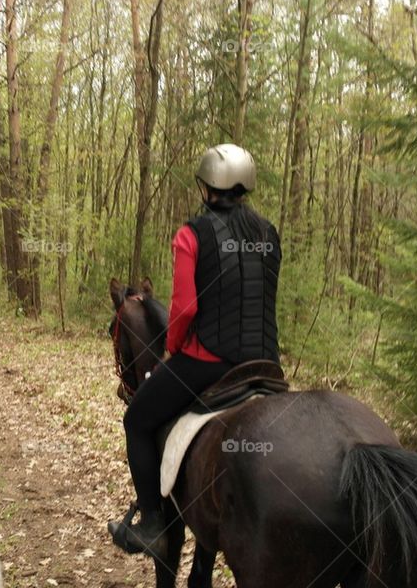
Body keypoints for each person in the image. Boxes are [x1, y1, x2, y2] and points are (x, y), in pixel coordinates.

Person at [108, 143, 282, 560]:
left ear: (208, 188)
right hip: (265, 365)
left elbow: (184, 308)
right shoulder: (268, 234)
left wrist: (172, 349)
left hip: (207, 362)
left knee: (137, 420)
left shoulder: (192, 234)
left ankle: (152, 523)